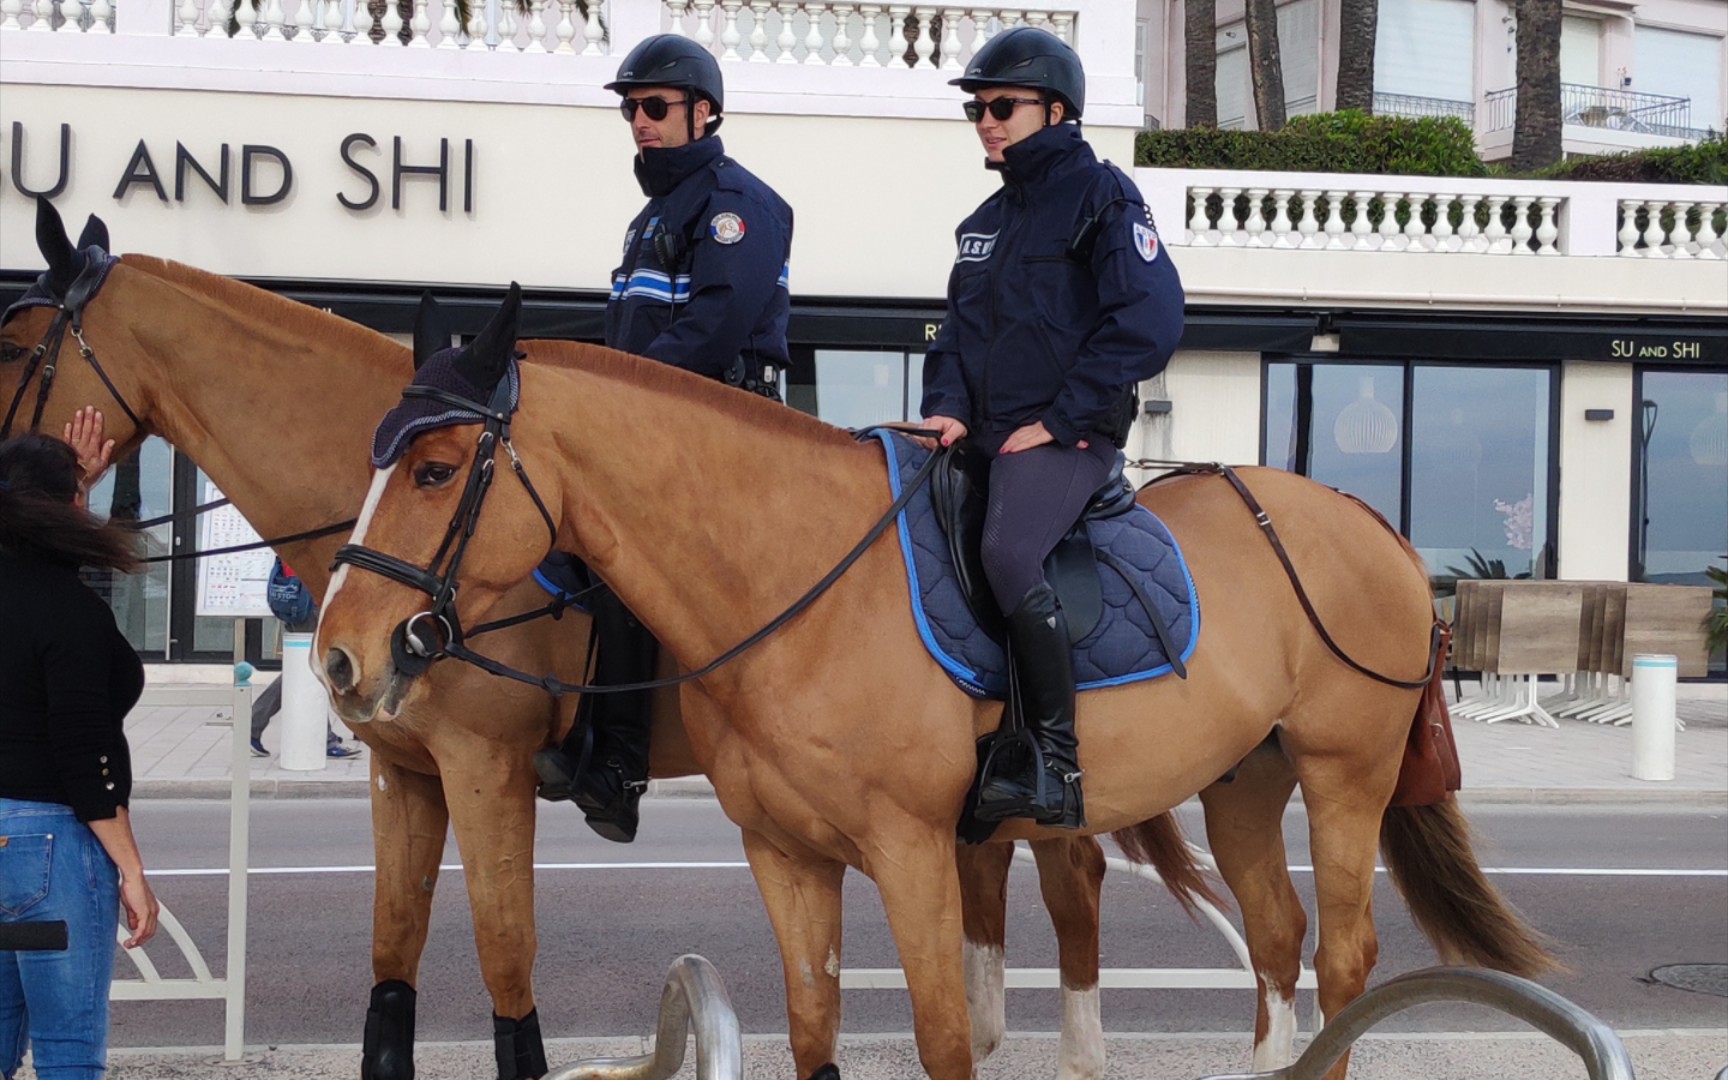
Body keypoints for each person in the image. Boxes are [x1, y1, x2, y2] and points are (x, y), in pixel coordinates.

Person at [920, 28, 1185, 829]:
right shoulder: (982, 222)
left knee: (1006, 549)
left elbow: (1150, 319)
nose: (986, 122)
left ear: (1058, 110)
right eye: (977, 109)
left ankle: (1053, 762)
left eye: (1002, 106)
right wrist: (947, 407)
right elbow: (953, 336)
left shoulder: (1104, 197)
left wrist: (1062, 419)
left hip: (1068, 438)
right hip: (984, 432)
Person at [533, 34, 795, 844]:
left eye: (654, 107)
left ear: (704, 112)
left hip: (717, 428)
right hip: (651, 426)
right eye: (630, 109)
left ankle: (617, 764)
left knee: (627, 565)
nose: (638, 122)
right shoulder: (650, 219)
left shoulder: (736, 204)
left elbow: (715, 330)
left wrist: (618, 397)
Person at [1, 430, 160, 1079]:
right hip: (47, 857)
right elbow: (83, 755)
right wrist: (132, 870)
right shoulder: (72, 612)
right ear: (67, 506)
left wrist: (65, 492)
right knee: (67, 1050)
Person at [249, 558, 361, 761]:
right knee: (308, 670)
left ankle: (252, 724)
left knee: (304, 669)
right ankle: (252, 723)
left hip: (294, 601)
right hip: (309, 604)